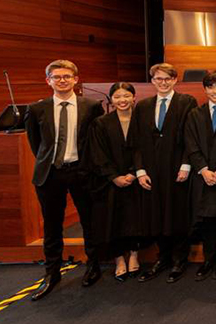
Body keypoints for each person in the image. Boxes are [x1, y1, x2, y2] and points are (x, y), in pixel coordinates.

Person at [24, 60, 105, 301]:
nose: (62, 80)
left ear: (76, 79)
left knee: (89, 221)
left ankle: (93, 265)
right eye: (57, 77)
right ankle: (52, 272)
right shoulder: (37, 109)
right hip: (50, 174)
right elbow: (36, 144)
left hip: (82, 171)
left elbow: (96, 141)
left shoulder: (91, 107)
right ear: (48, 80)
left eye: (67, 76)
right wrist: (50, 162)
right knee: (52, 224)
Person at [134, 63, 198, 284]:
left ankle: (180, 259)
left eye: (167, 79)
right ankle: (163, 257)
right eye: (159, 79)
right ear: (152, 81)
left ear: (175, 80)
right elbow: (137, 142)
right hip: (151, 169)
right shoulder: (142, 106)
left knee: (178, 213)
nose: (163, 83)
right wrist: (140, 170)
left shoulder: (186, 102)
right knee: (157, 214)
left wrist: (186, 164)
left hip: (177, 167)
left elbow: (191, 137)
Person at [88, 82, 144, 282]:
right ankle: (119, 259)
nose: (122, 100)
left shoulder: (142, 121)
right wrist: (114, 176)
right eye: (118, 96)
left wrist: (133, 173)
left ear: (134, 98)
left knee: (136, 218)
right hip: (110, 182)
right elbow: (97, 154)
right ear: (111, 99)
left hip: (137, 177)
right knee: (113, 219)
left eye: (126, 96)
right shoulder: (101, 123)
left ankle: (135, 256)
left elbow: (146, 150)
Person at [184, 70, 216, 281]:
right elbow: (191, 144)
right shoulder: (195, 115)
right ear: (205, 89)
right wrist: (204, 169)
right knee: (206, 219)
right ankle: (208, 259)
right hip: (203, 176)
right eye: (211, 87)